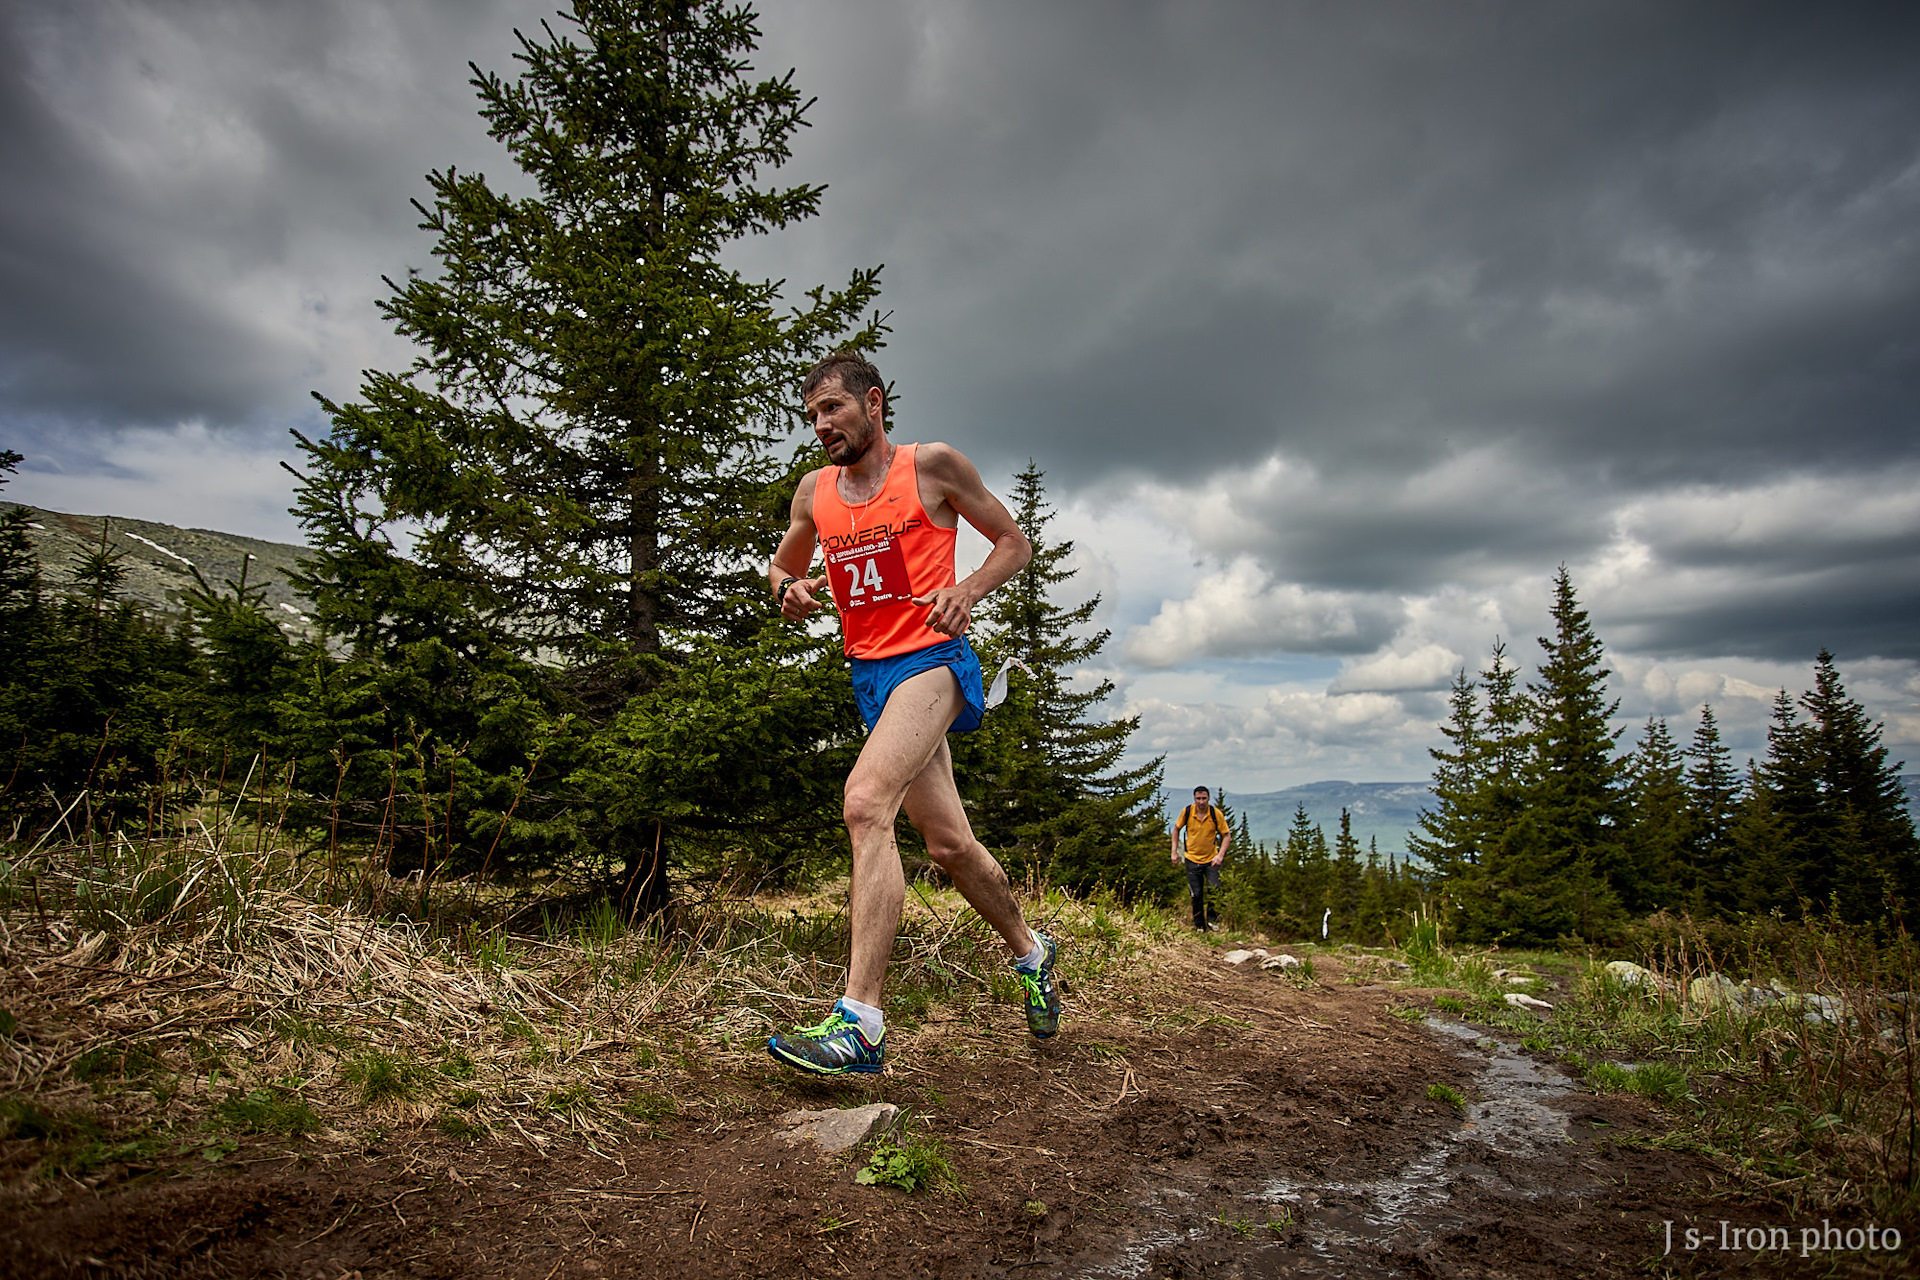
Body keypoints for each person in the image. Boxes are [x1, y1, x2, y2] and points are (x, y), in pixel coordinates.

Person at [763, 350, 1059, 1075]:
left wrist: (970, 590)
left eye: (833, 409)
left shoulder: (933, 468)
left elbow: (1015, 544)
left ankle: (860, 1024)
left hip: (933, 660)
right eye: (812, 417)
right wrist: (786, 590)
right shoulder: (815, 493)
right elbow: (781, 564)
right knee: (950, 846)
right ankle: (1032, 949)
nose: (822, 426)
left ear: (873, 402)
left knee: (865, 803)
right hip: (872, 676)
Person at [1172, 786, 1231, 931]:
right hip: (1192, 858)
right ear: (1194, 799)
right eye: (1198, 798)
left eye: (1204, 798)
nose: (1201, 802)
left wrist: (1220, 855)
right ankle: (1199, 925)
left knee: (1214, 889)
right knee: (1196, 893)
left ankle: (1213, 920)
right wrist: (1174, 851)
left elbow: (1226, 835)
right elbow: (1176, 829)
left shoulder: (1215, 814)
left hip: (1211, 859)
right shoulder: (1187, 812)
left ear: (1208, 798)